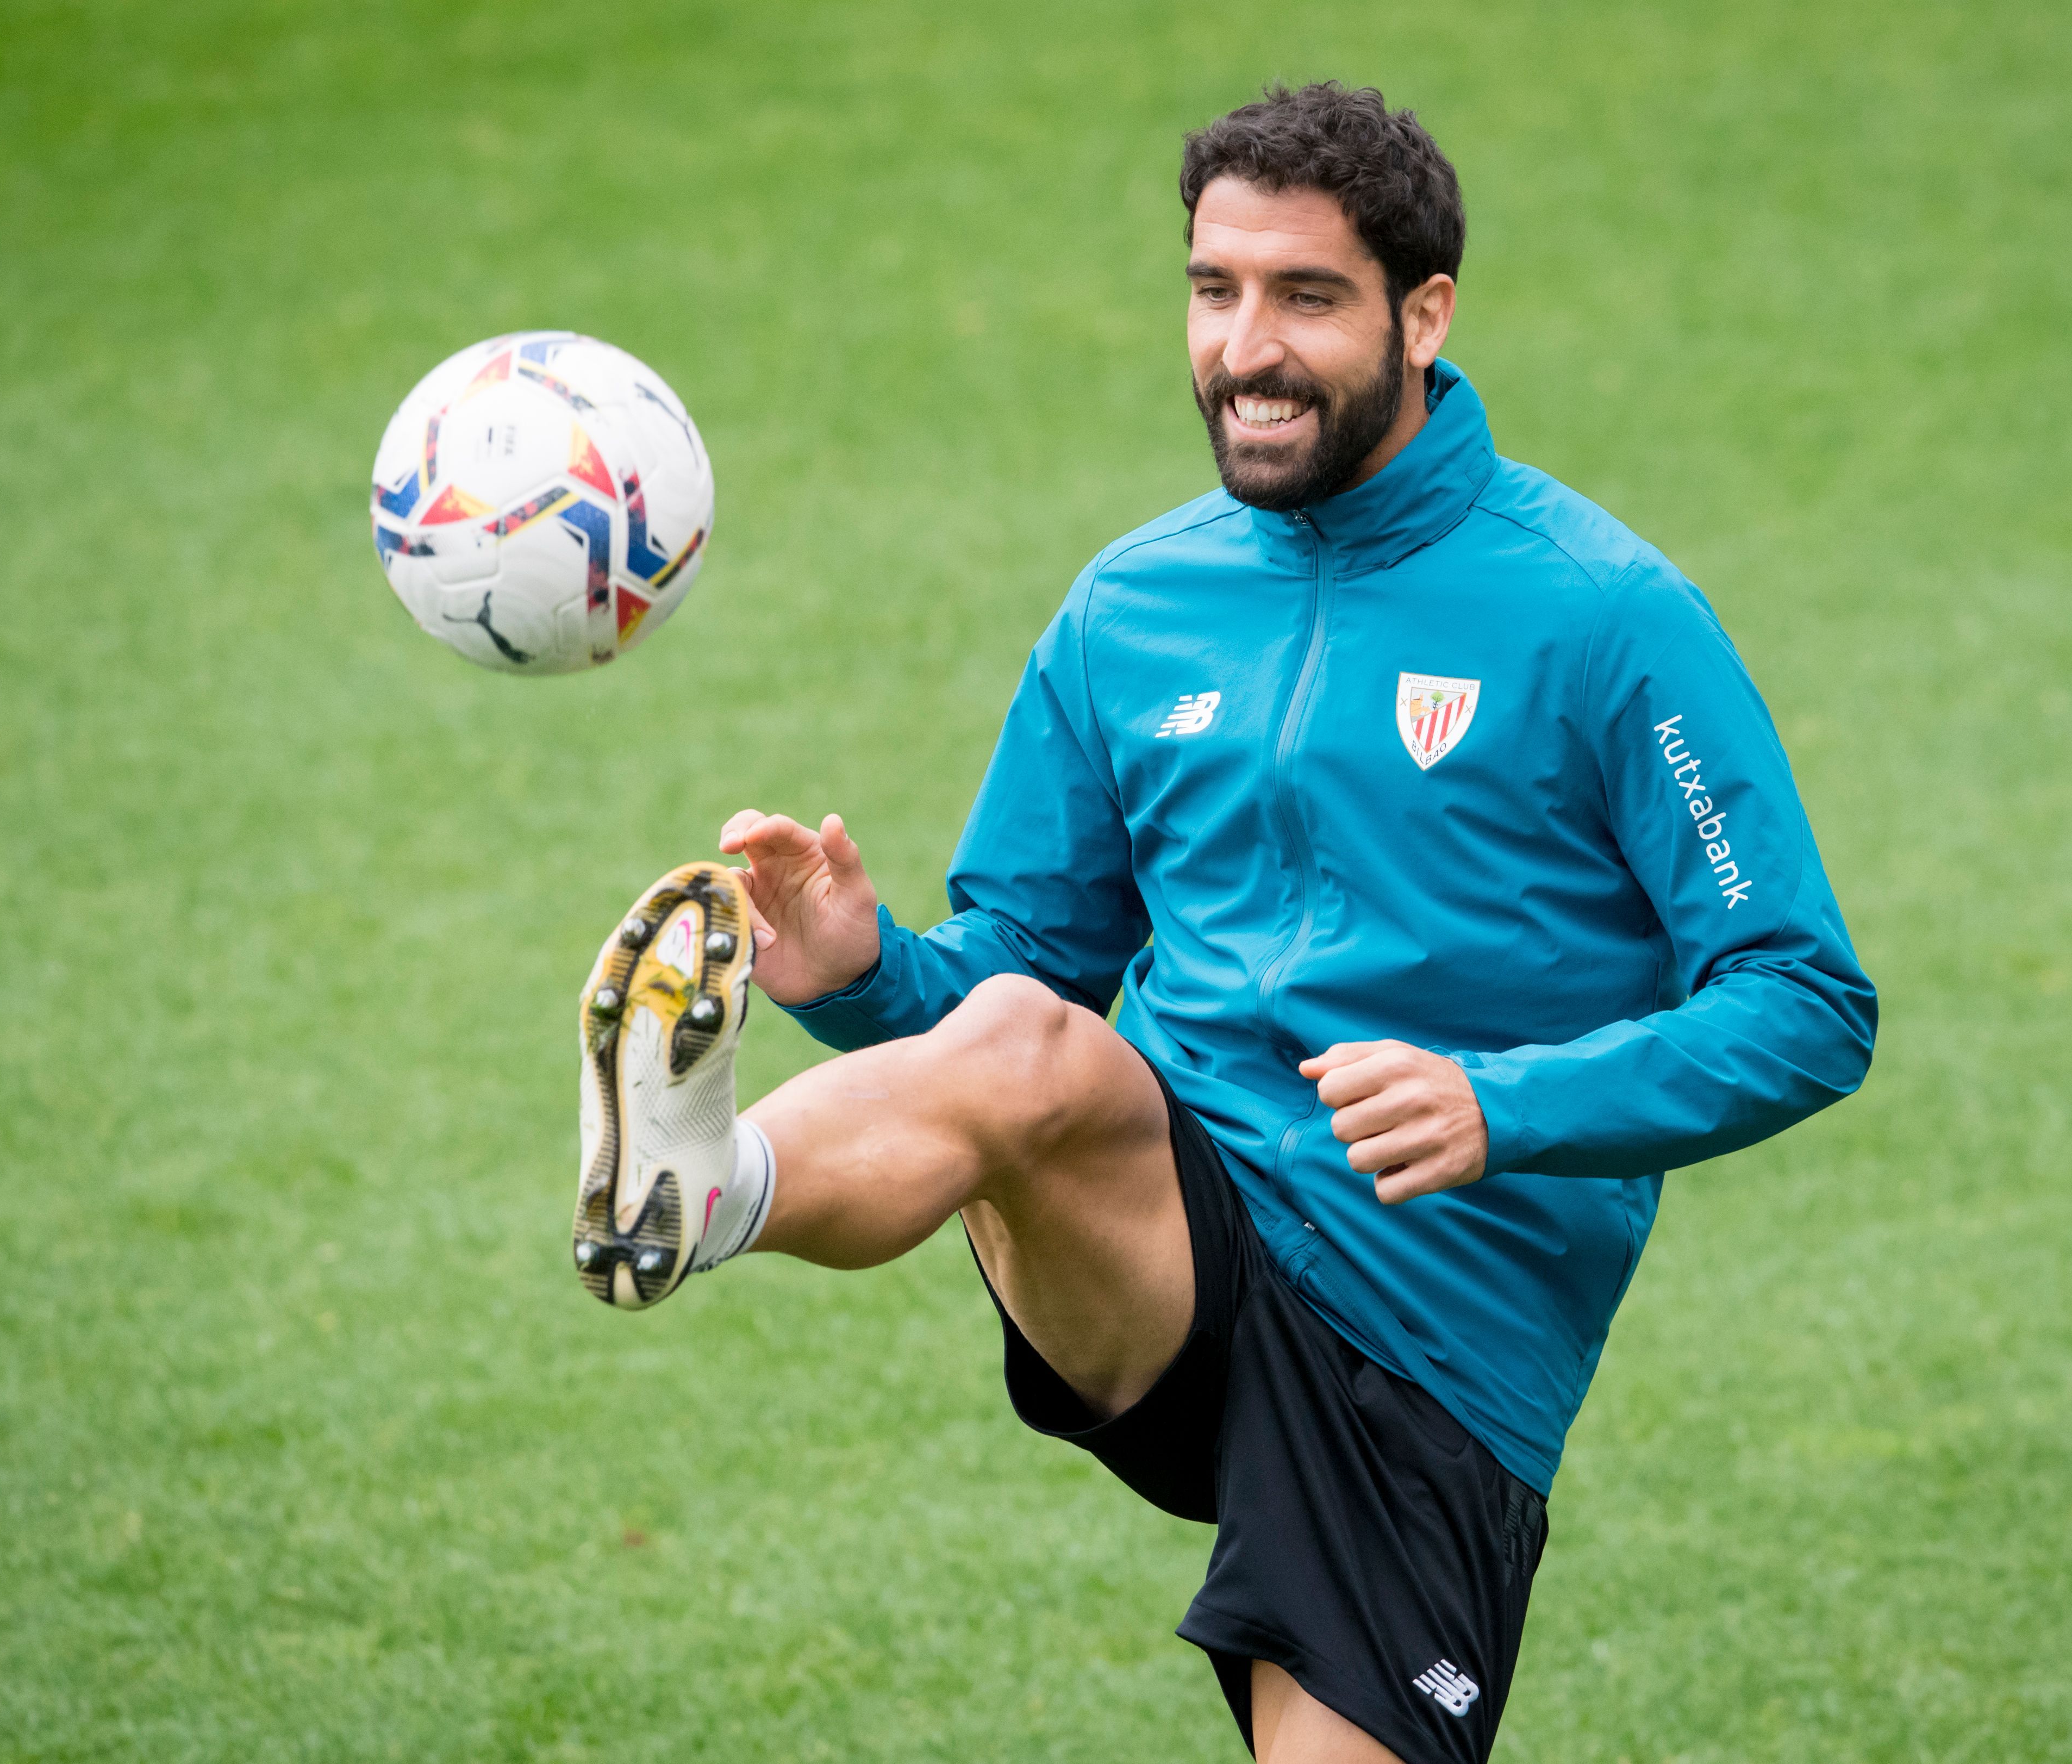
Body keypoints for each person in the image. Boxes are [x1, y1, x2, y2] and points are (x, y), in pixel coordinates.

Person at [568, 81, 1877, 1764]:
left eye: (1304, 297)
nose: (1244, 349)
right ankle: (701, 1186)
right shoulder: (1132, 606)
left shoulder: (1603, 616)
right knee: (1026, 1044)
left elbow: (1801, 1000)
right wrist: (866, 974)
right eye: (1213, 290)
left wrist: (1500, 1106)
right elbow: (1014, 981)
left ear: (1423, 316)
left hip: (1428, 1337)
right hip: (1172, 1236)